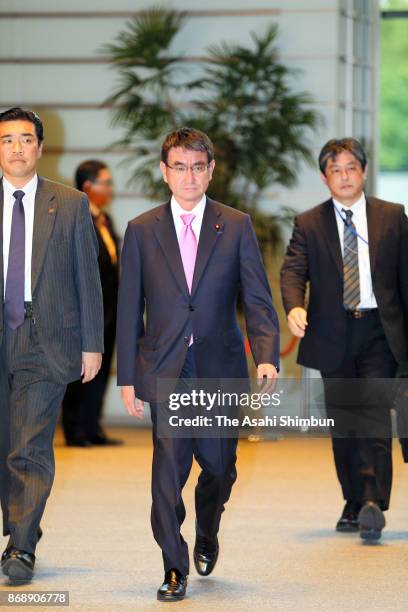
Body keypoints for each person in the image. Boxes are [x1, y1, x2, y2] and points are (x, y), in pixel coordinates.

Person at [116, 127, 280, 601]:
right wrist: (128, 377)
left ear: (211, 171)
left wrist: (266, 356)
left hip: (218, 369)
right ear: (164, 172)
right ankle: (173, 565)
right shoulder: (142, 230)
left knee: (219, 466)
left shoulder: (236, 224)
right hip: (166, 368)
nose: (188, 176)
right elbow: (130, 310)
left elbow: (257, 299)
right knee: (167, 472)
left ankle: (207, 526)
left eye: (197, 166)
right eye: (179, 166)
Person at [280, 138, 408, 541]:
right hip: (333, 333)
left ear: (364, 171)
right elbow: (292, 271)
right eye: (336, 170)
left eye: (352, 167)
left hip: (380, 331)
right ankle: (352, 500)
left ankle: (372, 500)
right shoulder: (309, 222)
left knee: (371, 411)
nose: (345, 176)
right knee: (343, 423)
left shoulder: (393, 216)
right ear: (324, 177)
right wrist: (294, 306)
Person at [0, 108, 104, 582]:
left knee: (29, 443)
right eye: (7, 140)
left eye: (25, 140)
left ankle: (20, 546)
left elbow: (88, 278)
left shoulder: (70, 203)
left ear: (40, 148)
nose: (16, 148)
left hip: (45, 339)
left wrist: (92, 343)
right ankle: (21, 523)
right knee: (6, 440)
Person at [62, 160, 122, 447]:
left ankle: (93, 428)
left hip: (109, 312)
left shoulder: (105, 219)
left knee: (101, 372)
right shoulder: (74, 217)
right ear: (87, 186)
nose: (111, 189)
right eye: (106, 183)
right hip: (83, 313)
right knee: (79, 373)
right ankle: (74, 430)